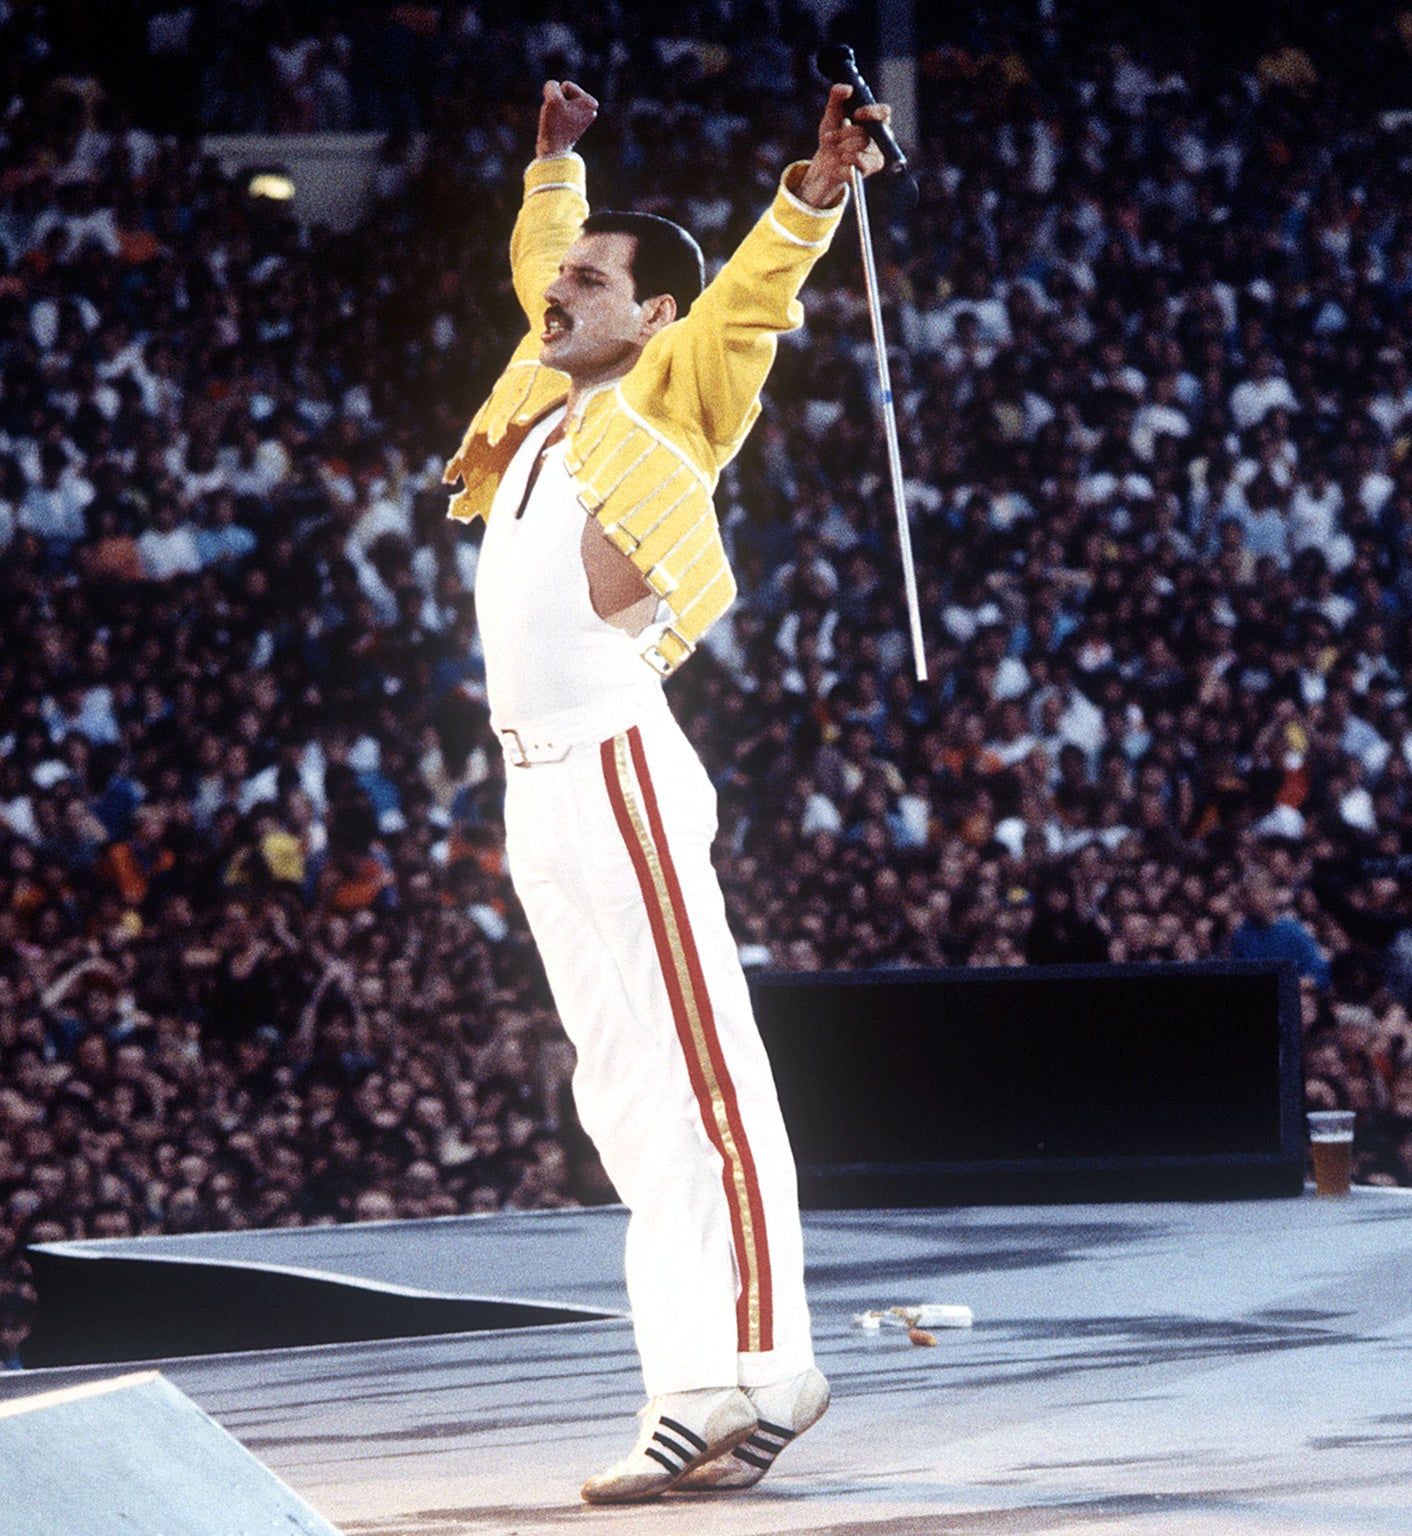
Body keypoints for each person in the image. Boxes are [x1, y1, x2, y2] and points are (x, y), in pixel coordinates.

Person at [440, 77, 891, 1504]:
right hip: (535, 786)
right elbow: (540, 269)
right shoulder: (540, 402)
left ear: (649, 322)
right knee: (628, 1097)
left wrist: (813, 189)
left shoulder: (667, 397)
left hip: (623, 761)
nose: (558, 294)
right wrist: (553, 177)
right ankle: (691, 1389)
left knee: (707, 1074)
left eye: (589, 284)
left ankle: (775, 1362)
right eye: (559, 281)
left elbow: (747, 301)